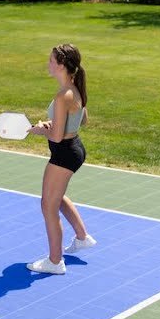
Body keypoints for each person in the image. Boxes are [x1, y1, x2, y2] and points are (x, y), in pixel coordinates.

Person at [25, 43, 96, 275]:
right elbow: (82, 120)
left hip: (63, 153)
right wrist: (55, 125)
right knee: (57, 196)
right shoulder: (75, 88)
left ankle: (55, 262)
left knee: (48, 205)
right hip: (74, 147)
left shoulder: (62, 95)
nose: (48, 63)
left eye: (52, 61)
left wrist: (40, 129)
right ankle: (82, 237)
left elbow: (55, 137)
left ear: (63, 65)